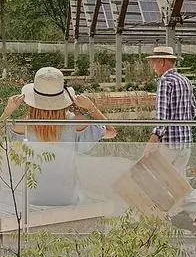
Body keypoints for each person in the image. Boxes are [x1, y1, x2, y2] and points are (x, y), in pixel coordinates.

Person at [0, 67, 115, 206]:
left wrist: (8, 111)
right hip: (68, 197)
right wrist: (91, 107)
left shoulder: (24, 125)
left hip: (34, 197)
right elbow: (111, 131)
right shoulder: (76, 122)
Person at [145, 46, 196, 235]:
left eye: (155, 62)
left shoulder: (165, 81)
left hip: (169, 142)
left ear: (163, 62)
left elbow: (162, 113)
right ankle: (195, 213)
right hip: (185, 141)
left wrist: (154, 136)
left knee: (154, 178)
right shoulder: (185, 80)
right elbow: (194, 111)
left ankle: (156, 220)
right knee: (176, 181)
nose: (154, 66)